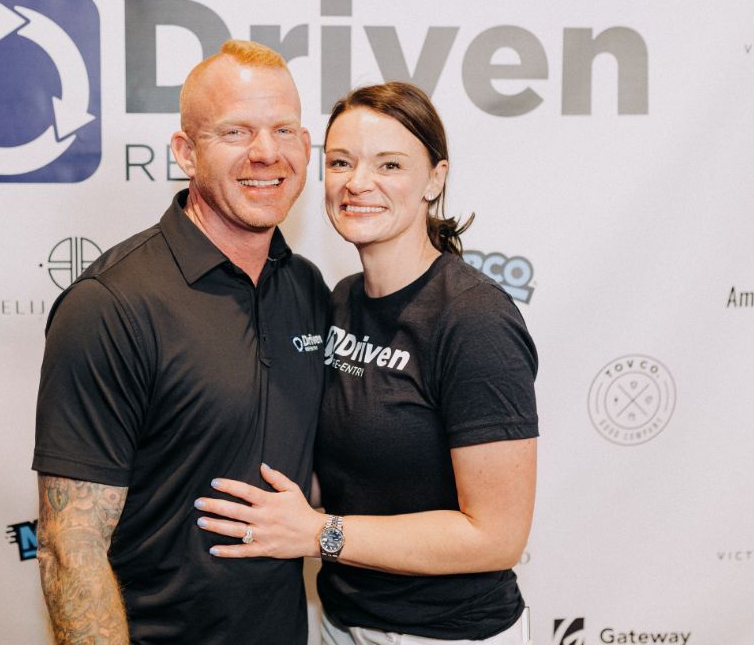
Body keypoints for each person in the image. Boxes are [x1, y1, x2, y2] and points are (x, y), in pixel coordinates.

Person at [194, 82, 538, 644]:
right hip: (342, 623)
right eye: (341, 162)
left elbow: (496, 536)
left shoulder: (473, 320)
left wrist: (320, 535)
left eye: (390, 164)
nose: (358, 183)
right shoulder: (338, 301)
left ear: (435, 178)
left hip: (448, 634)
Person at [32, 40, 330, 645]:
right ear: (185, 154)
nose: (266, 152)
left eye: (284, 129)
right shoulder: (111, 305)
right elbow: (71, 550)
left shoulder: (305, 287)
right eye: (235, 132)